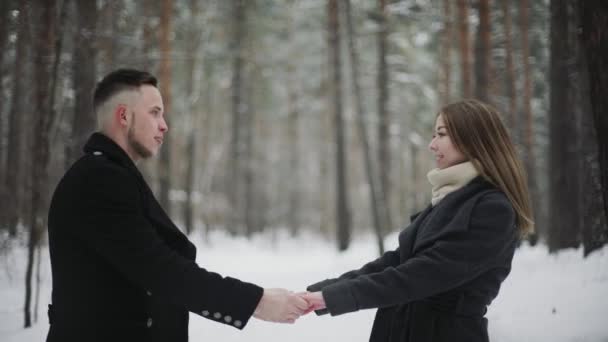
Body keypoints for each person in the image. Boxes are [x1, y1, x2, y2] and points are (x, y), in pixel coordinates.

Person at [46, 69, 309, 342]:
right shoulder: (99, 179)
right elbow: (161, 270)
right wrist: (257, 302)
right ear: (123, 116)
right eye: (155, 112)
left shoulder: (112, 174)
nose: (164, 125)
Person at [303, 99, 534, 342]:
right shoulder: (449, 199)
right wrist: (323, 291)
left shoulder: (492, 209)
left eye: (441, 134)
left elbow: (421, 274)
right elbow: (395, 261)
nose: (432, 145)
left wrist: (335, 296)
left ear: (473, 137)